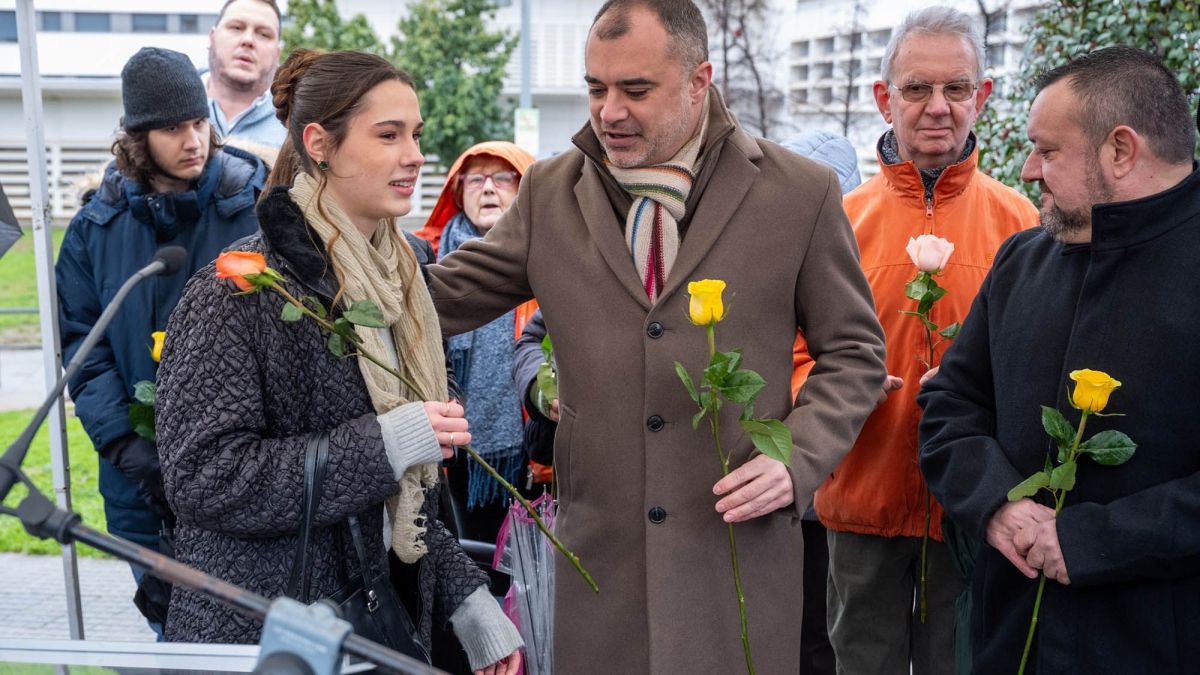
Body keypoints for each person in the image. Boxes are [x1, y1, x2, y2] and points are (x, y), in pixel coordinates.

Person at [426, 0, 888, 671]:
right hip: (600, 570)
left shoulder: (800, 194)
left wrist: (798, 459)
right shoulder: (551, 191)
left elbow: (854, 352)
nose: (609, 111)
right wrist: (320, 268)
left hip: (734, 562)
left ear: (699, 81)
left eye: (636, 90)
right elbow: (436, 297)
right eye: (596, 88)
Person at [154, 49, 522, 675]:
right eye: (388, 135)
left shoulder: (403, 286)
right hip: (263, 639)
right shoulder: (239, 290)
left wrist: (469, 604)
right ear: (321, 144)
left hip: (374, 631)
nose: (414, 155)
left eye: (416, 135)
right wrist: (384, 444)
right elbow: (203, 479)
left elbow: (408, 501)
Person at [919, 46, 1200, 674]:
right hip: (1011, 634)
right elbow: (949, 404)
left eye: (1047, 151)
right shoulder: (1023, 260)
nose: (1027, 169)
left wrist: (1091, 540)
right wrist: (995, 503)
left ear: (1121, 151)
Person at [791, 8, 1039, 675]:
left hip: (974, 512)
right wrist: (839, 391)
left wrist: (979, 394)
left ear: (982, 97)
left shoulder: (1021, 223)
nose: (937, 107)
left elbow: (1041, 361)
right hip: (861, 503)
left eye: (956, 89)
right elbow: (792, 354)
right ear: (884, 98)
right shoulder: (837, 221)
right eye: (916, 89)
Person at [55, 46, 267, 632]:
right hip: (141, 491)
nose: (194, 140)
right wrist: (130, 451)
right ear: (137, 137)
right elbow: (83, 349)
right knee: (175, 639)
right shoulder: (92, 231)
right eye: (174, 128)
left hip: (248, 479)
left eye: (200, 122)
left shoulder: (253, 206)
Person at [415, 142, 538, 545]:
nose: (488, 188)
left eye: (503, 178)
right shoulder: (421, 258)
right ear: (456, 191)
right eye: (476, 178)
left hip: (531, 450)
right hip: (450, 449)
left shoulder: (547, 259)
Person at [779, 127, 863, 675]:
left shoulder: (853, 257)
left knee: (826, 633)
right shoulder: (769, 256)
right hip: (784, 476)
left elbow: (850, 355)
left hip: (842, 483)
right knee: (799, 628)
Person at [205, 0, 286, 147]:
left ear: (277, 53)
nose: (248, 40)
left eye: (263, 34)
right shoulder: (171, 102)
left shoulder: (300, 121)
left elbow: (323, 166)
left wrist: (322, 167)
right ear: (212, 37)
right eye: (236, 28)